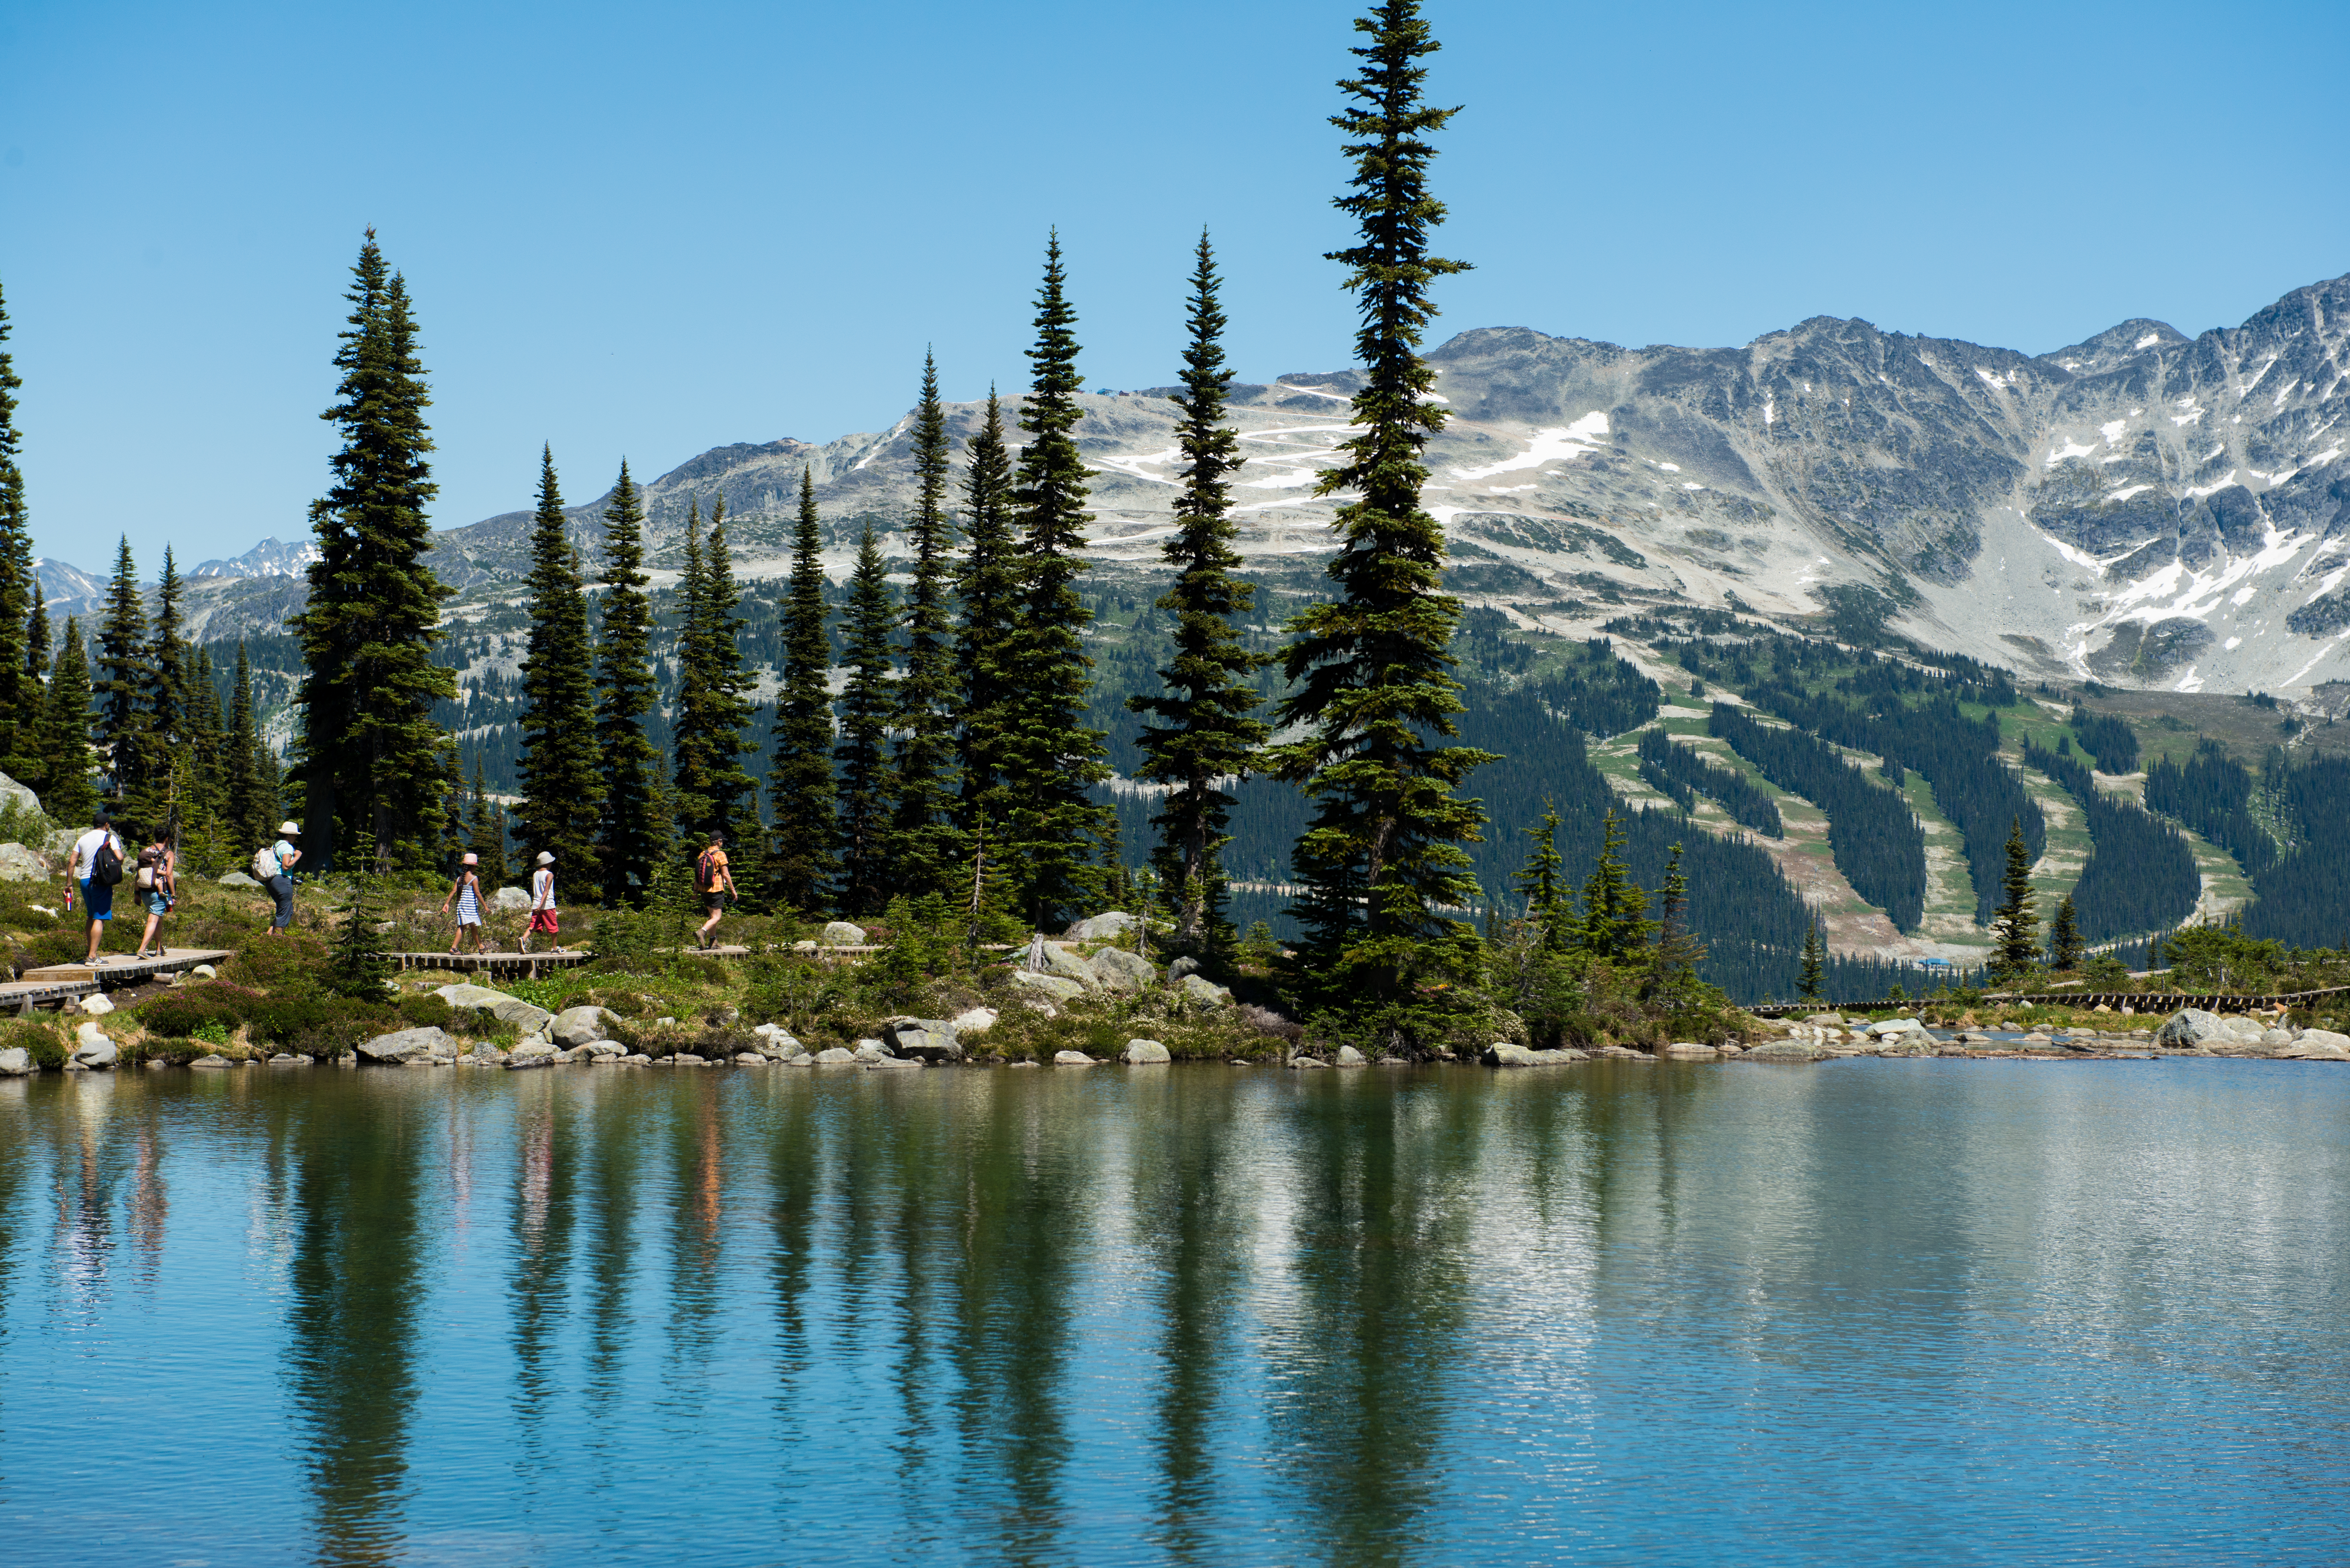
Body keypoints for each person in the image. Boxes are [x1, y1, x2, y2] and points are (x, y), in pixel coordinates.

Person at [70, 810, 126, 965]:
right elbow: (120, 857)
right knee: (100, 917)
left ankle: (90, 952)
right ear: (107, 825)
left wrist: (69, 884)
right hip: (100, 881)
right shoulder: (110, 838)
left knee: (91, 915)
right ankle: (93, 956)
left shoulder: (83, 838)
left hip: (84, 881)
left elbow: (72, 862)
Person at [131, 838, 177, 961]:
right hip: (158, 892)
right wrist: (173, 895)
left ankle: (159, 949)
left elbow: (139, 873)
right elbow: (169, 875)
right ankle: (143, 949)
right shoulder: (169, 853)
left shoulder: (146, 851)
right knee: (153, 920)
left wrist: (137, 893)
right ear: (167, 839)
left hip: (145, 890)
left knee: (159, 919)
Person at [440, 851, 488, 954]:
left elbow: (453, 891)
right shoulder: (474, 879)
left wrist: (447, 904)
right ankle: (454, 948)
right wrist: (486, 907)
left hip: (461, 905)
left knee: (470, 926)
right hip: (470, 906)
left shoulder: (459, 879)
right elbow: (478, 893)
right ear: (473, 867)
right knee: (466, 926)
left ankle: (481, 947)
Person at [259, 820, 302, 936]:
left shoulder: (276, 846)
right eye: (295, 835)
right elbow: (286, 866)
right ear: (289, 835)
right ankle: (278, 944)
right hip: (282, 881)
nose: (295, 838)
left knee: (286, 910)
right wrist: (297, 857)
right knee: (284, 913)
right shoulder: (288, 847)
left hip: (271, 882)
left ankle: (270, 932)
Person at [694, 832, 734, 950]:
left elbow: (697, 875)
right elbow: (726, 875)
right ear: (718, 842)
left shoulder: (703, 854)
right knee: (717, 917)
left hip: (703, 890)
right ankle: (702, 932)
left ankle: (713, 941)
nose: (723, 843)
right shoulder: (721, 854)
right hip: (716, 890)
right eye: (722, 841)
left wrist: (695, 892)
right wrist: (733, 890)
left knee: (713, 916)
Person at [521, 850, 560, 954]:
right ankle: (555, 948)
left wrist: (539, 905)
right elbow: (546, 890)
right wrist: (542, 905)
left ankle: (523, 939)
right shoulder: (550, 875)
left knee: (535, 924)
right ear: (548, 863)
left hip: (536, 904)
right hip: (547, 905)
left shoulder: (536, 874)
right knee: (553, 926)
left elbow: (541, 888)